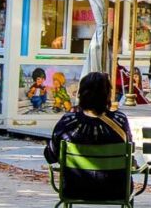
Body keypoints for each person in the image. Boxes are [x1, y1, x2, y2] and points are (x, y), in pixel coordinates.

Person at [44, 72, 132, 200]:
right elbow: (129, 149)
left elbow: (50, 156)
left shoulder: (68, 122)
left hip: (74, 189)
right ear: (108, 94)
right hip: (116, 190)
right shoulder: (120, 120)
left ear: (81, 94)